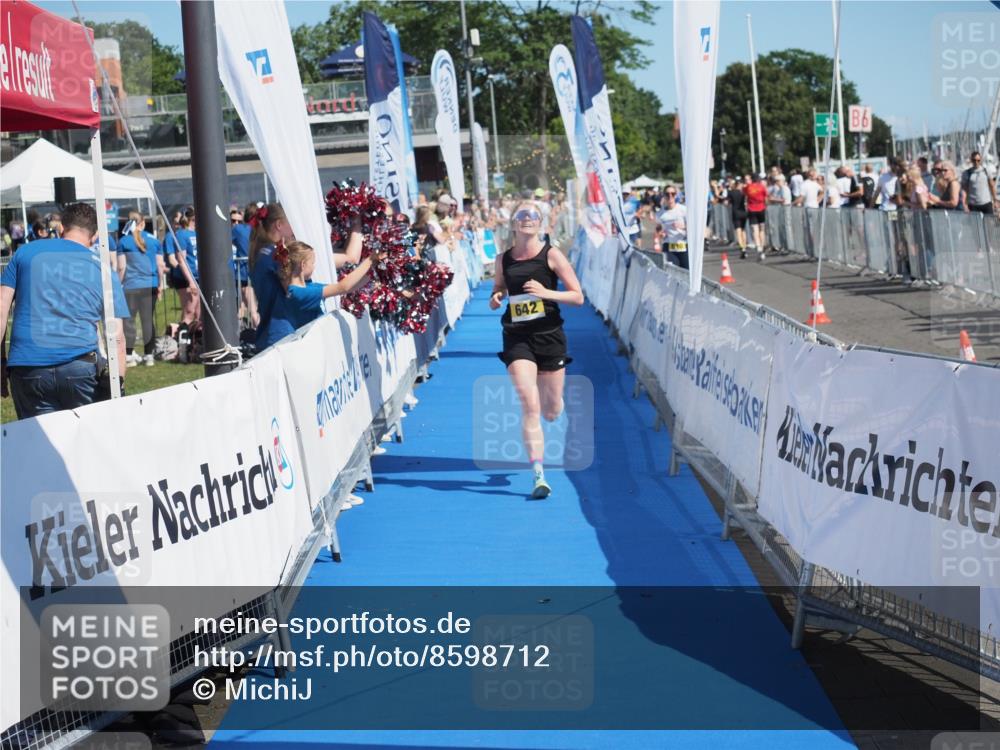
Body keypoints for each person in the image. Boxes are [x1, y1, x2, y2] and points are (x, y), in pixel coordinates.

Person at [489, 201, 584, 499]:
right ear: (514, 223)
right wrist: (496, 297)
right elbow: (499, 287)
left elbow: (577, 296)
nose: (527, 219)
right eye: (522, 215)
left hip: (550, 336)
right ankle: (538, 475)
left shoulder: (552, 254)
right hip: (517, 337)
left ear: (541, 223)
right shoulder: (503, 258)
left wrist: (546, 293)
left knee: (552, 410)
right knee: (530, 405)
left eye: (533, 216)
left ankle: (553, 407)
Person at [0, 202, 130, 419]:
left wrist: (1, 363)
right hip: (80, 366)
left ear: (61, 228)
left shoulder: (25, 253)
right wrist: (118, 381)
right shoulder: (103, 268)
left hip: (27, 366)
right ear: (95, 235)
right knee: (87, 442)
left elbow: (2, 310)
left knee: (39, 446)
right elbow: (116, 336)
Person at [275, 240, 379, 329]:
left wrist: (373, 270)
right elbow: (343, 286)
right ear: (303, 265)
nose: (314, 266)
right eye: (312, 263)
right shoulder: (299, 293)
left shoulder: (308, 286)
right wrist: (370, 259)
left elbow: (348, 288)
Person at [116, 211, 165, 367]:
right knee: (147, 320)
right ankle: (149, 355)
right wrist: (161, 285)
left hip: (131, 286)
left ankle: (129, 355)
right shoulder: (154, 241)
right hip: (150, 284)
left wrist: (117, 284)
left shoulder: (123, 241)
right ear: (143, 223)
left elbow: (122, 267)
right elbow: (160, 265)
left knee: (129, 321)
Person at [165, 208, 200, 327]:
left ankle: (197, 340)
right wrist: (191, 281)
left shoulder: (196, 233)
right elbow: (181, 260)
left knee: (199, 312)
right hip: (186, 278)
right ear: (193, 218)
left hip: (198, 276)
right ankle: (183, 340)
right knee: (189, 310)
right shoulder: (181, 234)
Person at [233, 202, 259, 326]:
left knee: (251, 309)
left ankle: (256, 328)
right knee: (249, 306)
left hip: (244, 273)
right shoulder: (261, 230)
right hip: (257, 271)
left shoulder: (238, 229)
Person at [657, 187, 689, 269]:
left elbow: (693, 228)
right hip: (669, 246)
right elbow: (659, 228)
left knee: (686, 274)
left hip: (683, 245)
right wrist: (661, 233)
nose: (670, 196)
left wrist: (683, 226)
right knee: (671, 272)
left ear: (676, 195)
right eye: (667, 194)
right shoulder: (660, 214)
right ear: (664, 196)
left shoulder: (683, 210)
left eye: (673, 194)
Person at [744, 173, 768, 260]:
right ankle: (762, 246)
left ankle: (758, 246)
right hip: (761, 208)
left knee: (755, 229)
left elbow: (745, 195)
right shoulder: (761, 187)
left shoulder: (748, 187)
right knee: (762, 229)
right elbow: (766, 197)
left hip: (752, 209)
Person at [729, 177, 748, 258]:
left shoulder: (732, 192)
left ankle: (742, 248)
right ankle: (744, 246)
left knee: (738, 231)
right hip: (743, 212)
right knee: (743, 230)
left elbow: (728, 202)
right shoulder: (743, 193)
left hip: (735, 213)